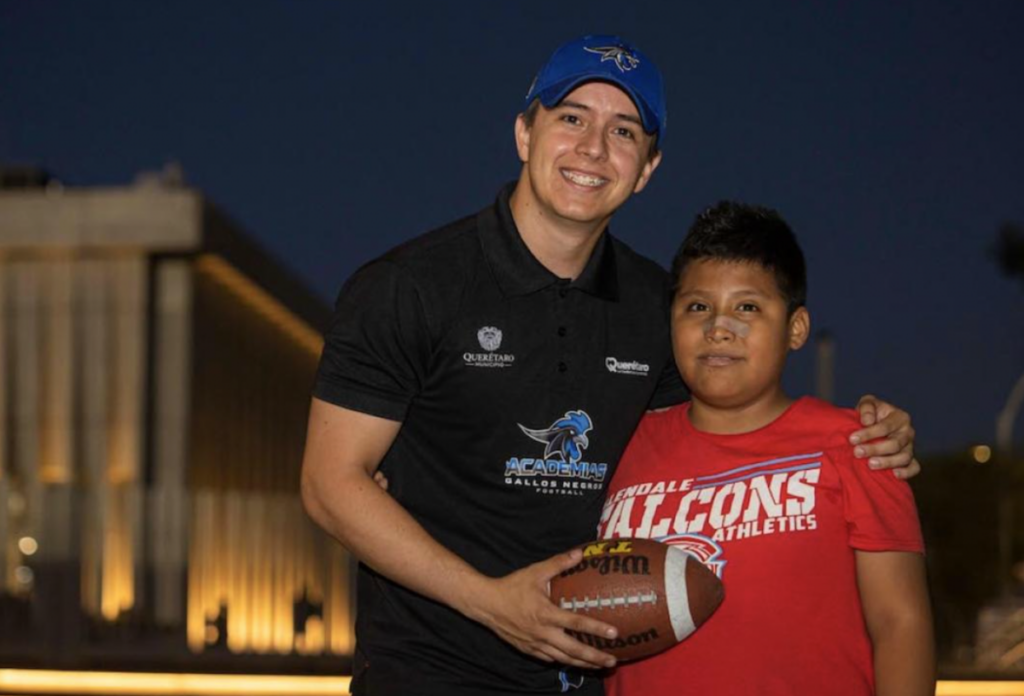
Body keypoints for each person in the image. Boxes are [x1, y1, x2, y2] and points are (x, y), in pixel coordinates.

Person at [300, 35, 919, 696]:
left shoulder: (663, 308)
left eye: (623, 131)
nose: (593, 148)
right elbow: (329, 484)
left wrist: (867, 431)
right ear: (523, 132)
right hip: (430, 671)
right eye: (571, 118)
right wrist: (490, 599)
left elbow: (725, 435)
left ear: (647, 167)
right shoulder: (410, 286)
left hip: (592, 679)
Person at [601, 201, 934, 696]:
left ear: (795, 329)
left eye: (748, 307)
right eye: (697, 306)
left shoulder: (858, 445)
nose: (719, 327)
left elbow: (900, 623)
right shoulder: (622, 442)